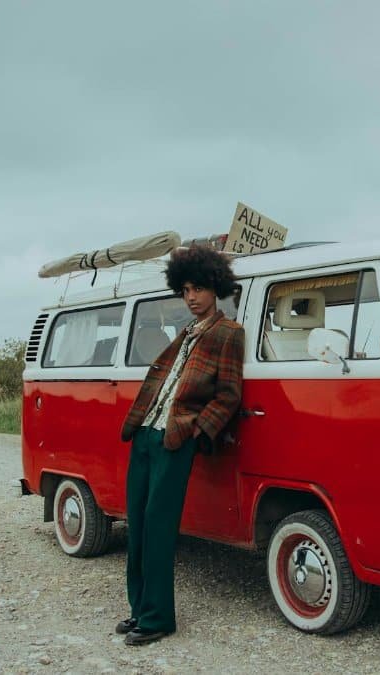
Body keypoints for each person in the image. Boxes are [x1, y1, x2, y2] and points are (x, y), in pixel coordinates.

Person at [115, 244, 244, 645]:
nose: (191, 297)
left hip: (175, 439)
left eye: (199, 288)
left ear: (216, 288)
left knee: (158, 527)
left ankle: (157, 619)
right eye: (185, 289)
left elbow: (229, 396)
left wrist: (196, 430)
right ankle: (139, 610)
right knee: (136, 523)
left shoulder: (229, 333)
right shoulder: (186, 332)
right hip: (146, 433)